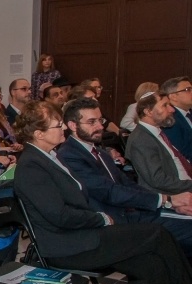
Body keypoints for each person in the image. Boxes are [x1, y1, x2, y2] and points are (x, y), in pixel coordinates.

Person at [14, 100, 192, 284]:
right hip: (69, 245)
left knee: (150, 264)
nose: (63, 129)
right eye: (57, 125)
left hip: (85, 233)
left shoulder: (49, 155)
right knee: (157, 234)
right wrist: (99, 217)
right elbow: (58, 215)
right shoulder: (30, 166)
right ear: (38, 133)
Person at [58, 97, 192, 258]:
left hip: (133, 213)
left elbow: (128, 184)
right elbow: (110, 192)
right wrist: (165, 200)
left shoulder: (100, 152)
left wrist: (169, 203)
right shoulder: (69, 156)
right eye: (92, 122)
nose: (100, 126)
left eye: (100, 120)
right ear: (73, 125)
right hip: (112, 223)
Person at [126, 91, 192, 196]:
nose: (172, 109)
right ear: (148, 111)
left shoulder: (158, 133)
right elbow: (158, 180)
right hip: (173, 196)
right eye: (165, 105)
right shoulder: (141, 140)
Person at [160, 76, 192, 163]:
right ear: (173, 96)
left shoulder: (189, 113)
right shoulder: (170, 119)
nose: (191, 92)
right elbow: (181, 153)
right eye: (188, 90)